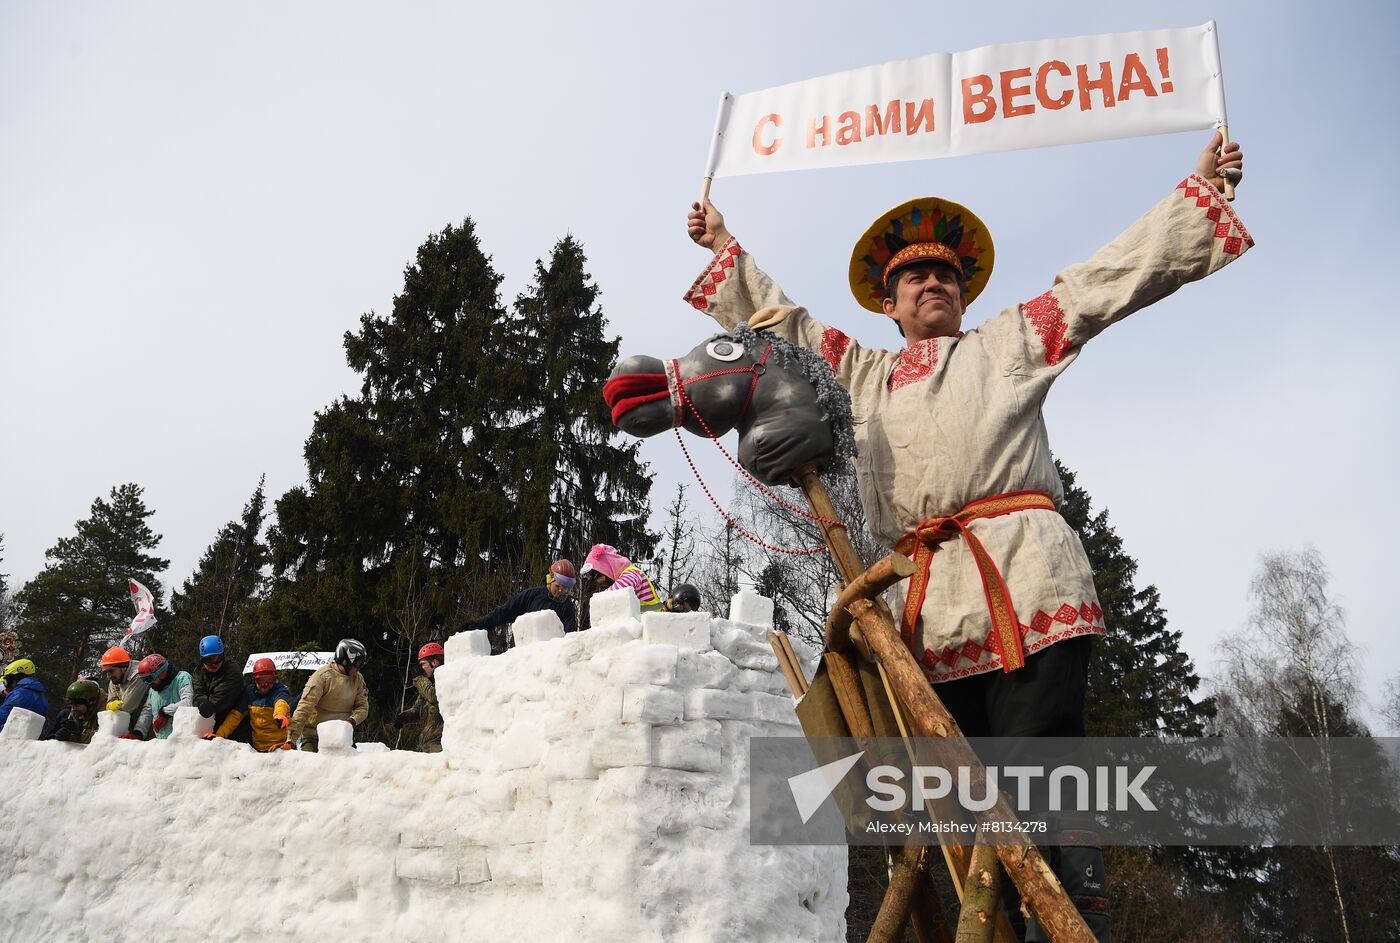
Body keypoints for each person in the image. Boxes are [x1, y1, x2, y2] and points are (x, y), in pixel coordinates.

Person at [685, 133, 1247, 942]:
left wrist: (1197, 197)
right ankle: (1001, 924)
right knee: (960, 798)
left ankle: (1078, 915)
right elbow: (786, 328)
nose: (932, 282)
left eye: (944, 272)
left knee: (1038, 765)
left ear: (963, 292)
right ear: (892, 302)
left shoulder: (1010, 341)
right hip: (928, 608)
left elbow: (1104, 282)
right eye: (914, 275)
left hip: (1028, 582)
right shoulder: (864, 374)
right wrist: (723, 249)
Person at [463, 559, 579, 645]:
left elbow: (568, 638)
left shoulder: (568, 608)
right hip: (524, 656)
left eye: (566, 589)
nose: (561, 591)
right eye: (558, 586)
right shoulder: (531, 595)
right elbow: (505, 611)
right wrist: (480, 624)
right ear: (549, 580)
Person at [288, 638, 370, 752]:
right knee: (310, 767)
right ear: (346, 660)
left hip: (341, 738)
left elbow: (363, 707)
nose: (359, 668)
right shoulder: (322, 677)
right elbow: (304, 707)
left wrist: (352, 721)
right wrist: (290, 739)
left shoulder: (358, 679)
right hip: (315, 736)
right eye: (358, 663)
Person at [210, 658, 292, 752]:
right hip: (258, 747)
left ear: (275, 679)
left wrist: (280, 714)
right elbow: (235, 716)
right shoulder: (249, 693)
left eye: (269, 680)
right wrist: (219, 735)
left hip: (280, 747)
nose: (265, 684)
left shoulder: (280, 690)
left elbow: (281, 703)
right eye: (261, 680)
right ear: (254, 679)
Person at [394, 642, 445, 753]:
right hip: (426, 748)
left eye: (423, 664)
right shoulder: (428, 686)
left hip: (440, 750)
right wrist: (404, 717)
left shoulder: (445, 681)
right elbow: (418, 710)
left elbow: (433, 697)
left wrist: (420, 679)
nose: (422, 668)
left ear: (434, 662)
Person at [580, 544, 661, 612]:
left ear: (607, 568)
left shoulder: (632, 573)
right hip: (648, 626)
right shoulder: (629, 573)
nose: (602, 584)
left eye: (600, 578)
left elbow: (613, 593)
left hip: (652, 628)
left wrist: (595, 601)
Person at [136, 653, 194, 740]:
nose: (147, 683)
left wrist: (165, 712)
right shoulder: (153, 689)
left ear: (162, 673)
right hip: (162, 743)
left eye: (148, 679)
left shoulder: (182, 678)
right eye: (143, 680)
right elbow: (147, 711)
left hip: (183, 741)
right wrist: (138, 732)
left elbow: (188, 702)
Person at [192, 635, 243, 732]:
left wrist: (206, 704)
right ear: (202, 659)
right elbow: (197, 692)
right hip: (212, 724)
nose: (214, 664)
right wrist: (201, 702)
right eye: (208, 660)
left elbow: (218, 701)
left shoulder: (232, 671)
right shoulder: (199, 671)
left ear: (223, 656)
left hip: (235, 723)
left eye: (218, 659)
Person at [99, 646, 151, 739]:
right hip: (130, 725)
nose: (108, 676)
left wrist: (114, 706)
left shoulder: (139, 674)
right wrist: (110, 704)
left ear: (124, 667)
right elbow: (110, 703)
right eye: (106, 672)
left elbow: (127, 707)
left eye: (111, 671)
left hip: (147, 726)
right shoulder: (115, 678)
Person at [43, 679, 103, 744]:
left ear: (91, 702)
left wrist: (81, 731)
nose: (73, 709)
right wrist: (66, 736)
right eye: (72, 705)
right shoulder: (75, 711)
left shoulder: (105, 713)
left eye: (77, 706)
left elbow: (102, 739)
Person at [0, 659, 49, 735]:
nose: (7, 686)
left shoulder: (19, 694)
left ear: (17, 677)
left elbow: (2, 717)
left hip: (8, 739)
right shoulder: (42, 696)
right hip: (25, 740)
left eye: (7, 681)